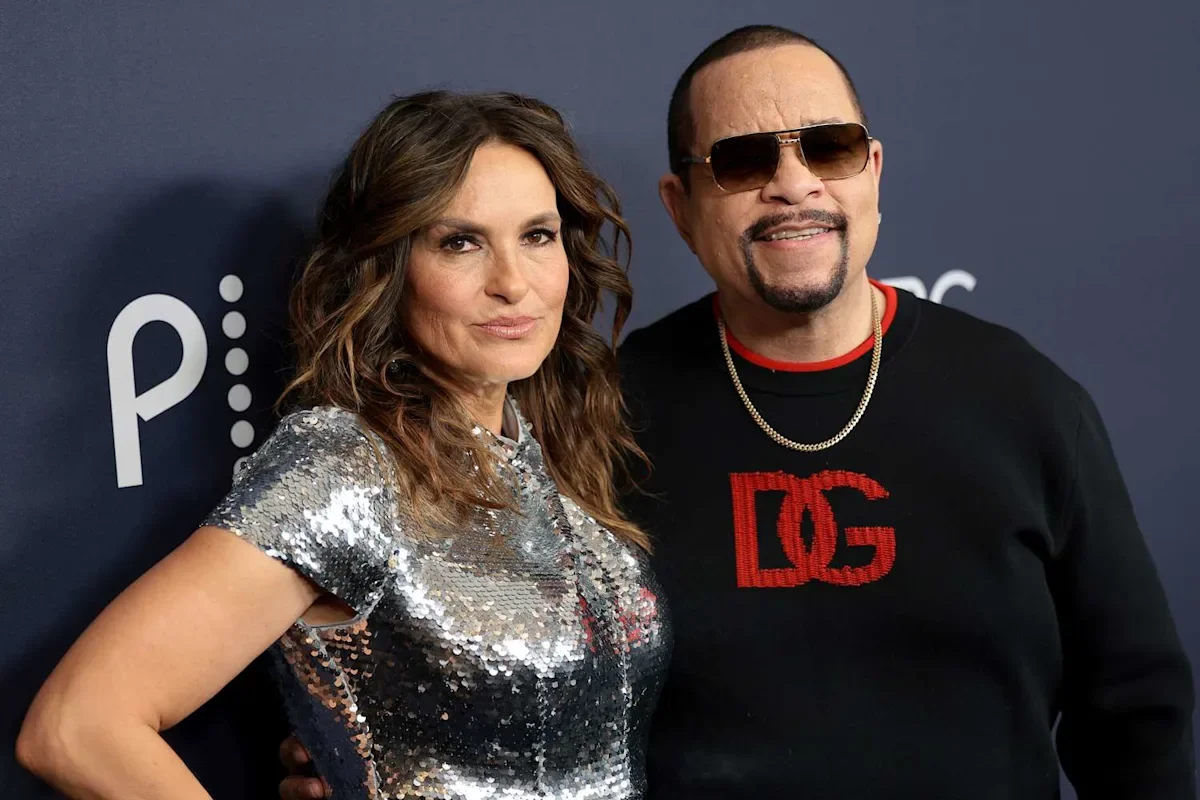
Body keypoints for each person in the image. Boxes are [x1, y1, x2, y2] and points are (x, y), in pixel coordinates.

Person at [268, 24, 1197, 800]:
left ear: (872, 172)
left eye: (828, 147)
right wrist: (374, 749)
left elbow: (1138, 718)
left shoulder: (1024, 398)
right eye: (744, 160)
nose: (794, 183)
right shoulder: (592, 417)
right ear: (680, 206)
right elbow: (491, 658)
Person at [16, 90, 671, 800]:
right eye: (460, 242)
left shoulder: (541, 445)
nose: (513, 283)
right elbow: (76, 727)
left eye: (537, 236)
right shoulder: (347, 466)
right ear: (388, 267)